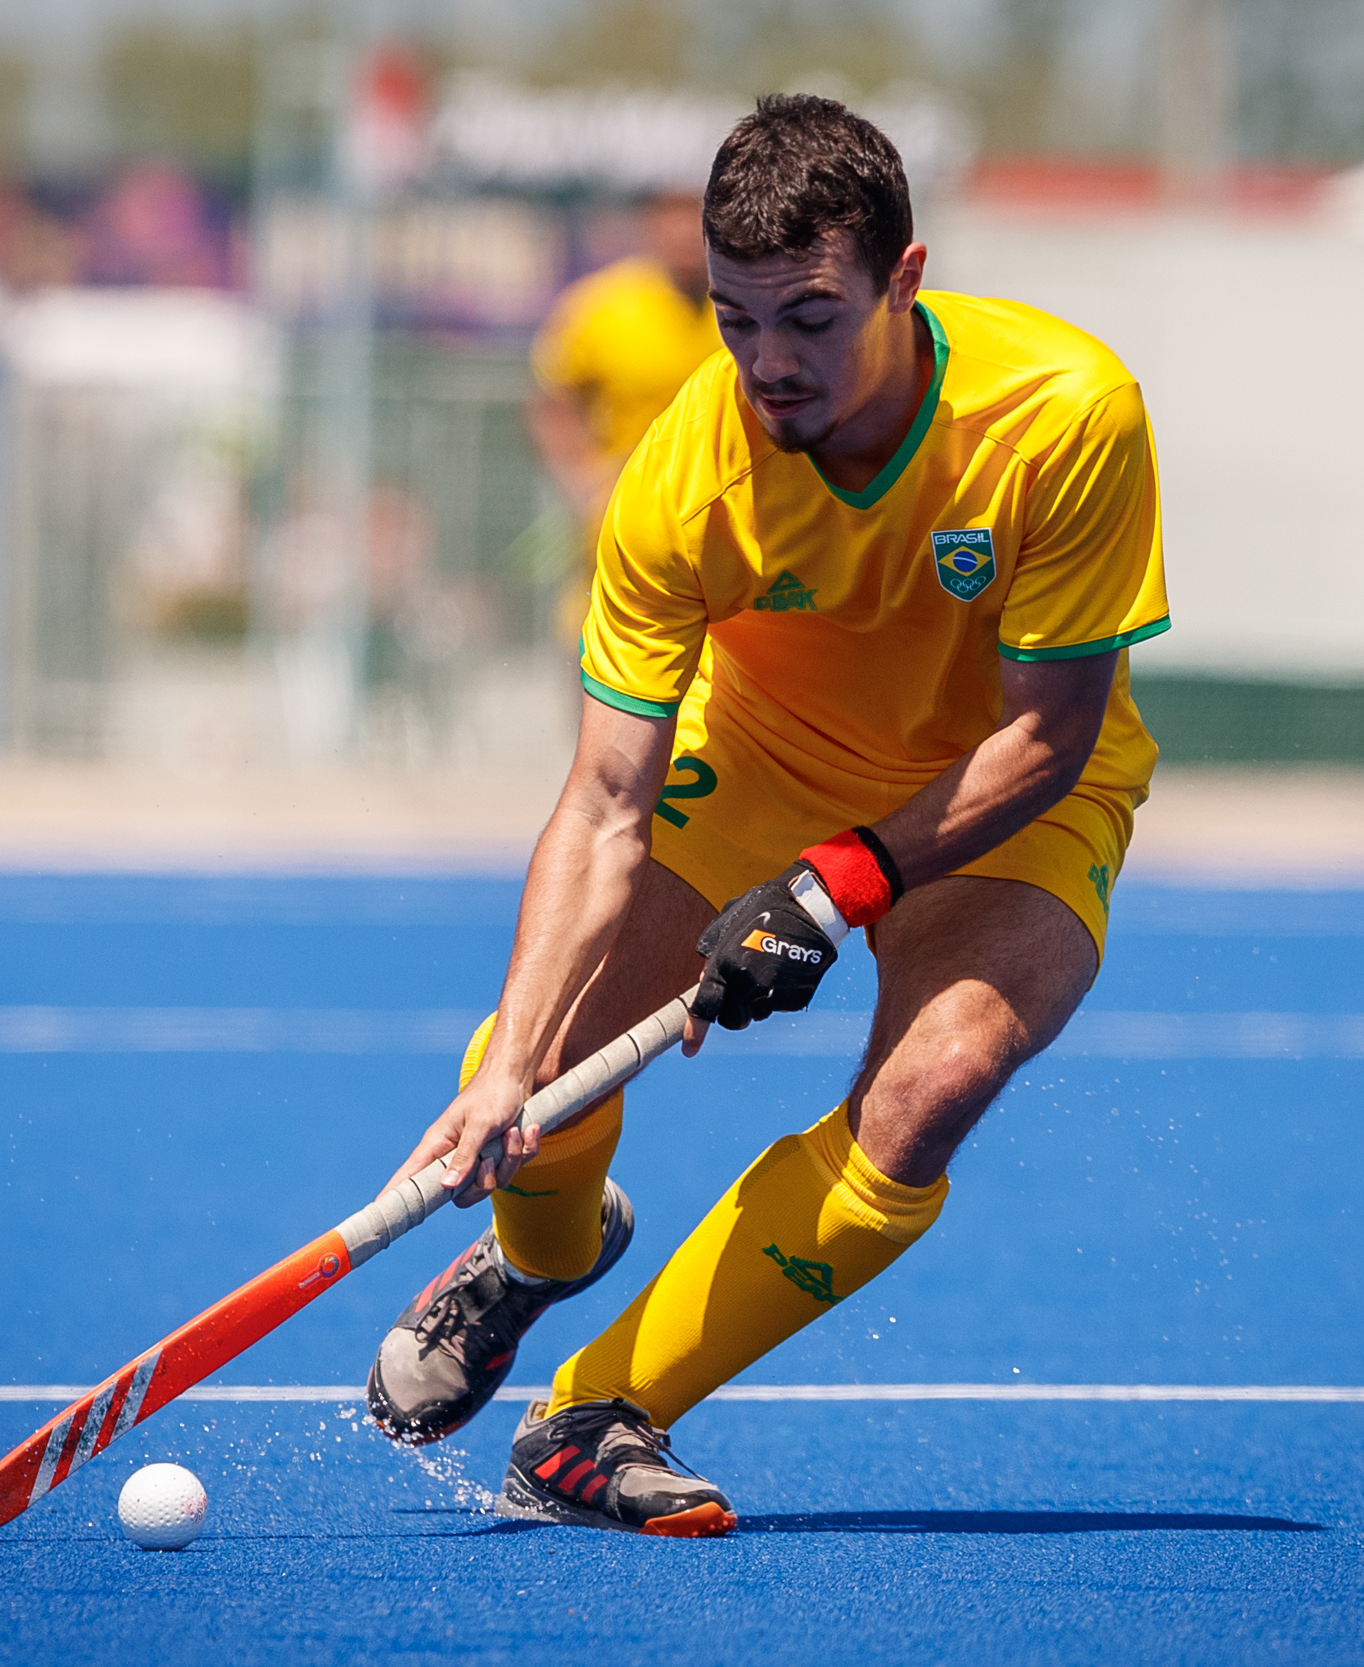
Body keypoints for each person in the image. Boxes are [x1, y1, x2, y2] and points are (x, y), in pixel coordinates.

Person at [365, 94, 1169, 1538]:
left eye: (809, 316)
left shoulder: (1064, 412)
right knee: (543, 1072)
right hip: (767, 754)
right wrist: (505, 1070)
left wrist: (841, 879)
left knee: (935, 1084)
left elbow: (1048, 734)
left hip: (1009, 781)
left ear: (904, 277)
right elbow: (608, 797)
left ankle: (595, 1415)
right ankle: (534, 1248)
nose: (769, 362)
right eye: (738, 321)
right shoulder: (683, 480)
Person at [525, 189, 723, 642]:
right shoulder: (603, 306)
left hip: (719, 531)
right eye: (671, 218)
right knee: (606, 666)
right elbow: (549, 399)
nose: (684, 235)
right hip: (622, 531)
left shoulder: (743, 306)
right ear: (650, 225)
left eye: (695, 219)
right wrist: (584, 482)